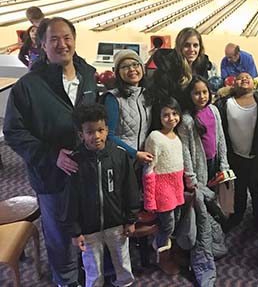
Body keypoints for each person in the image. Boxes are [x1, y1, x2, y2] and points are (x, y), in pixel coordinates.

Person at [3, 17, 98, 287]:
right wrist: (51, 155)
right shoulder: (29, 86)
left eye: (67, 37)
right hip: (52, 176)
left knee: (87, 232)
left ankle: (87, 277)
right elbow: (14, 132)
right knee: (60, 240)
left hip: (87, 173)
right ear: (42, 44)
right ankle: (66, 282)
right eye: (54, 39)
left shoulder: (88, 75)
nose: (62, 44)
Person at [69, 104, 140, 287]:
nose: (96, 136)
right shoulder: (76, 162)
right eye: (90, 132)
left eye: (100, 130)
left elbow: (130, 189)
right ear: (81, 135)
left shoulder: (119, 156)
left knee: (123, 265)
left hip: (117, 224)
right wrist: (75, 231)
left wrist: (131, 218)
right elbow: (71, 199)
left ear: (107, 130)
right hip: (88, 228)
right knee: (93, 270)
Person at [177, 75, 229, 287]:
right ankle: (203, 264)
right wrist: (191, 178)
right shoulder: (187, 120)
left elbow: (220, 139)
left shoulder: (214, 111)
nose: (201, 96)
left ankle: (215, 245)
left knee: (213, 207)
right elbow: (186, 152)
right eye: (196, 93)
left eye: (204, 92)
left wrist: (224, 164)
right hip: (197, 172)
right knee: (201, 215)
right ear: (190, 96)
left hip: (214, 167)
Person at [215, 71, 258, 232]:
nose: (244, 79)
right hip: (235, 155)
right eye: (239, 78)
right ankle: (238, 215)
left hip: (256, 155)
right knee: (239, 188)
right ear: (233, 84)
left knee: (257, 188)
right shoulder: (225, 103)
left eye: (248, 78)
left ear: (254, 83)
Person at [143, 97, 185, 259]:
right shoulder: (155, 137)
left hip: (177, 188)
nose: (171, 118)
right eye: (166, 115)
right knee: (168, 225)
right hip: (162, 190)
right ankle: (161, 250)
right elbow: (148, 169)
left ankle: (167, 246)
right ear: (159, 118)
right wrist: (150, 199)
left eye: (174, 113)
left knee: (176, 221)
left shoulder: (176, 136)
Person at [103, 49, 153, 166]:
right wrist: (135, 153)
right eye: (125, 66)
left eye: (135, 64)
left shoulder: (147, 95)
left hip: (144, 160)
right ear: (117, 73)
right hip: (122, 160)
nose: (131, 69)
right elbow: (109, 135)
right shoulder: (113, 98)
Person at [151, 27, 213, 108]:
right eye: (186, 45)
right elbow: (164, 102)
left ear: (200, 47)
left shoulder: (202, 66)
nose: (192, 49)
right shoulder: (166, 69)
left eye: (195, 45)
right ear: (179, 47)